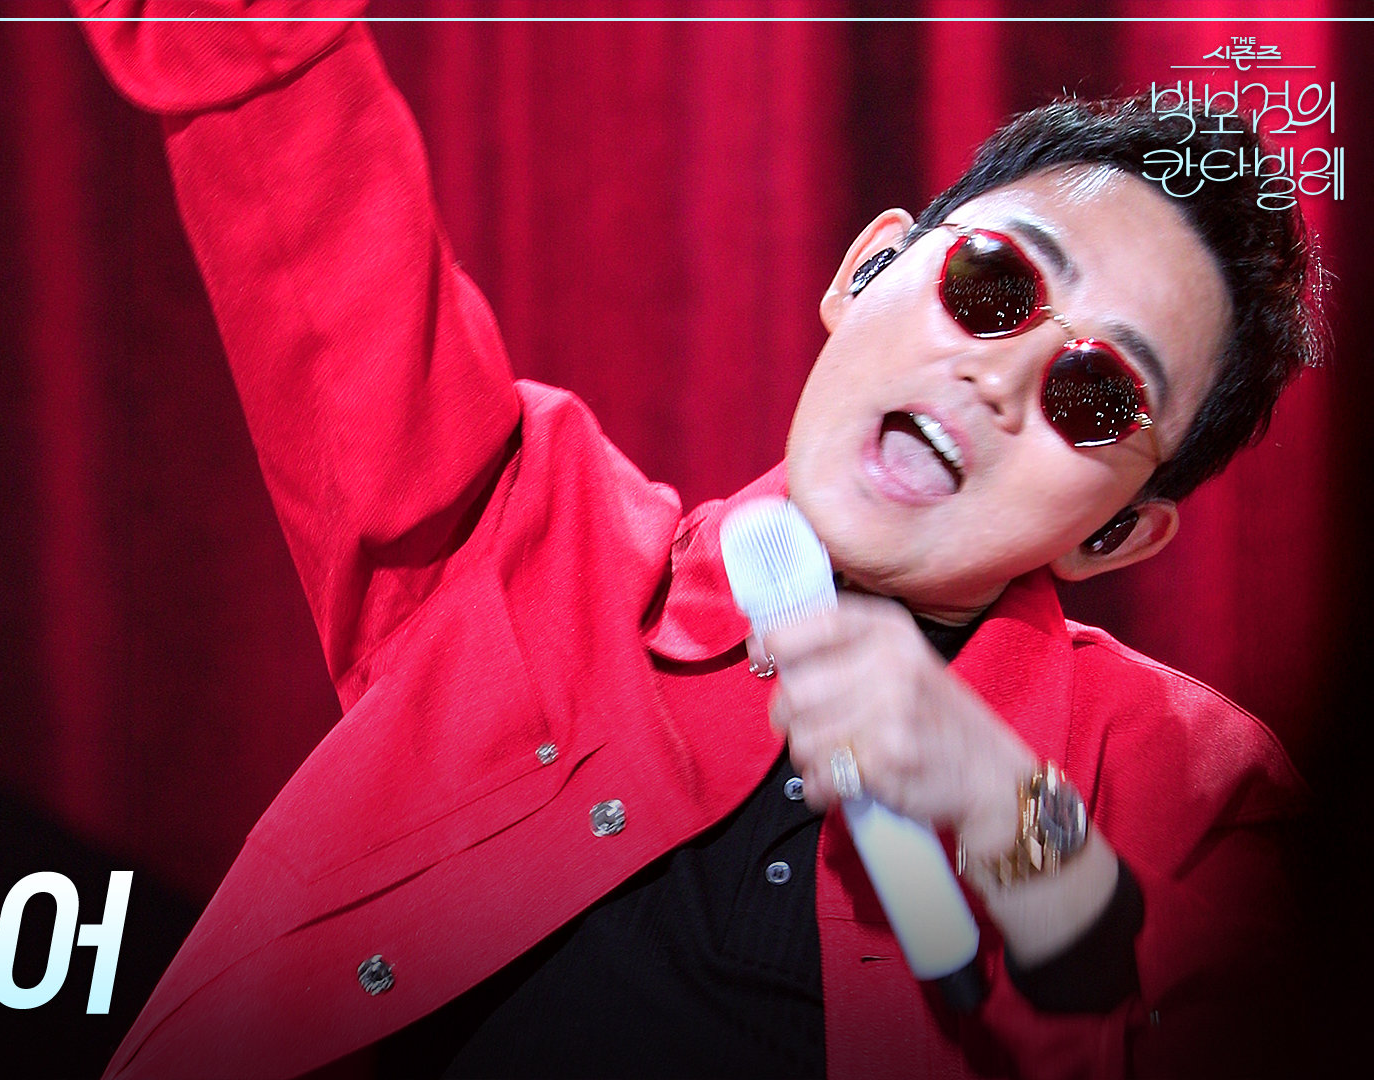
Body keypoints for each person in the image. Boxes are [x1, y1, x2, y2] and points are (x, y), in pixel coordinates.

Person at [79, 4, 1322, 1077]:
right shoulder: (536, 546)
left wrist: (1012, 823)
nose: (1000, 379)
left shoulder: (1195, 788)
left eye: (1096, 396)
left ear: (1118, 533)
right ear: (866, 269)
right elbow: (288, 138)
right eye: (994, 285)